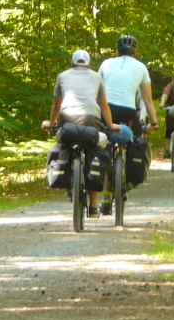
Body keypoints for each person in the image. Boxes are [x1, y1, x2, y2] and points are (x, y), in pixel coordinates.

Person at [41, 50, 119, 217]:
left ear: (72, 64)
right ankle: (92, 206)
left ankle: (70, 181)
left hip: (67, 119)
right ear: (89, 65)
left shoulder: (62, 76)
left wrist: (50, 123)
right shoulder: (97, 77)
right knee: (94, 148)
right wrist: (111, 125)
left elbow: (56, 106)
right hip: (91, 120)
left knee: (64, 142)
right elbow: (104, 106)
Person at [99, 35, 158, 137]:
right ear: (134, 53)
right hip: (128, 110)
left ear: (117, 52)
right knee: (136, 140)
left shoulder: (106, 63)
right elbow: (148, 100)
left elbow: (96, 89)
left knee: (102, 141)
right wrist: (154, 123)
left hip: (106, 109)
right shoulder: (141, 67)